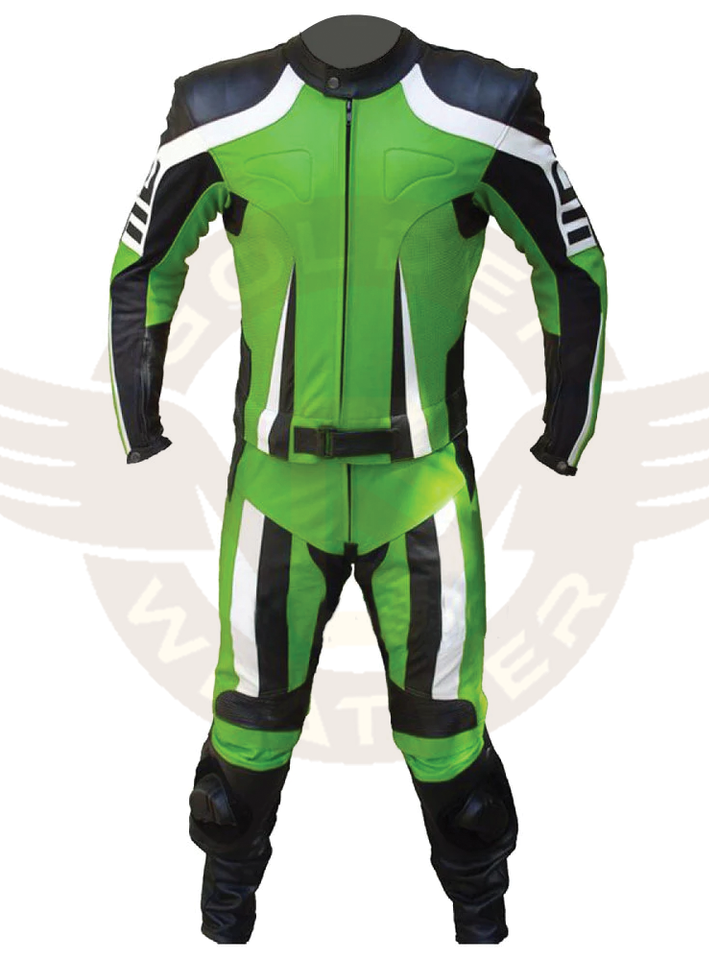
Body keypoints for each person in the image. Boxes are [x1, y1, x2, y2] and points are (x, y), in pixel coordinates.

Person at [107, 14, 607, 944]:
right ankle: (223, 919)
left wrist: (567, 427)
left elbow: (572, 260)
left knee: (448, 742)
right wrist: (139, 414)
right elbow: (145, 261)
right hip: (276, 492)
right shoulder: (218, 106)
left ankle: (481, 920)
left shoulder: (485, 106)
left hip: (420, 491)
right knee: (245, 741)